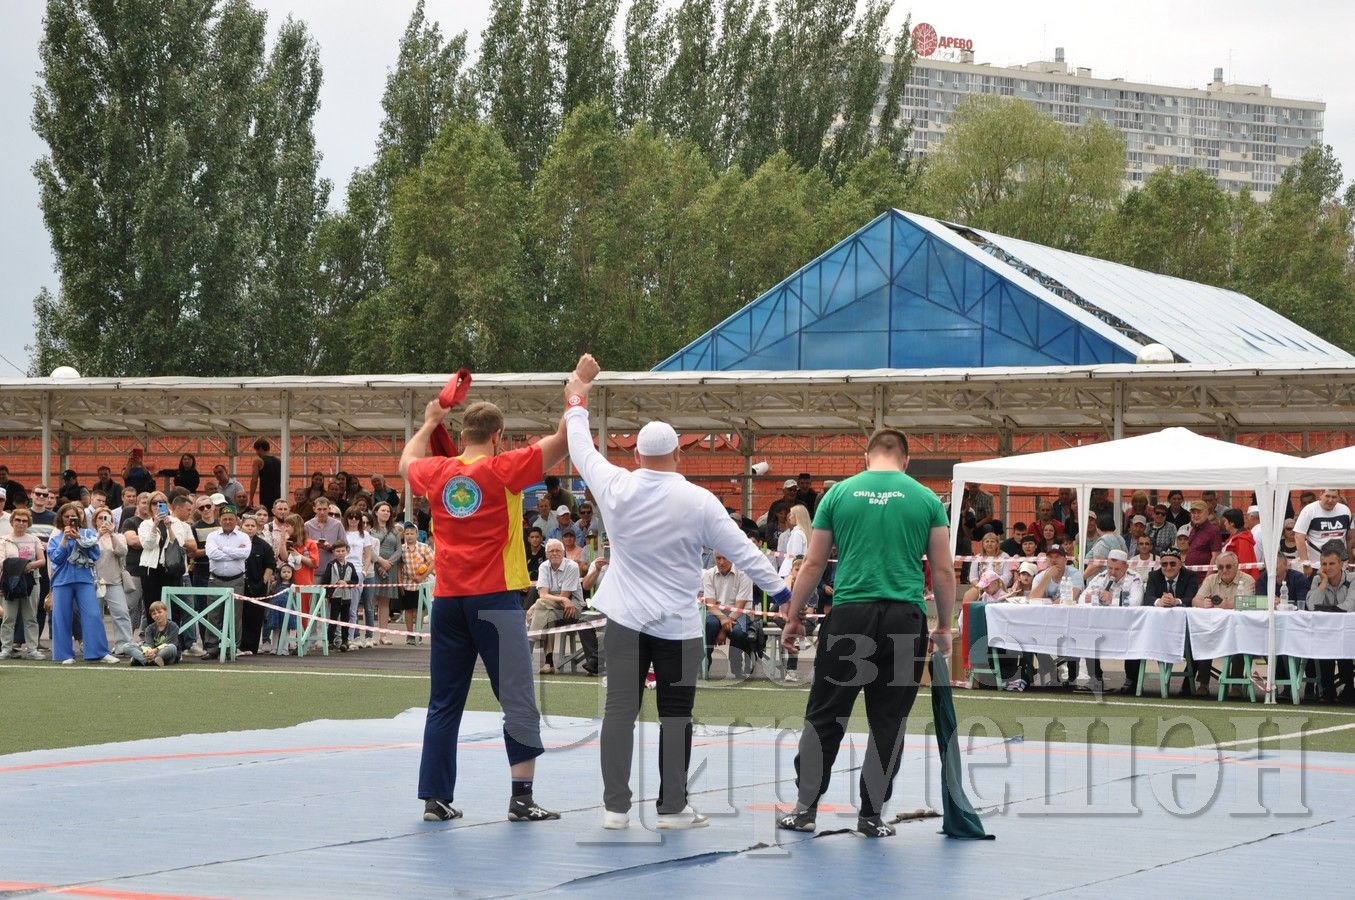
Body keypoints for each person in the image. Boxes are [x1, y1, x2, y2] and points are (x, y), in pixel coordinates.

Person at [562, 353, 788, 832]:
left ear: (637, 456)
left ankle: (614, 809)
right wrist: (784, 595)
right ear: (678, 456)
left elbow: (578, 443)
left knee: (619, 712)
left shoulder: (615, 485)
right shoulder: (699, 500)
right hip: (678, 625)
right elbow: (746, 553)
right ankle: (672, 808)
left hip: (624, 618)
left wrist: (580, 388)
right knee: (676, 715)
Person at [400, 391, 571, 826]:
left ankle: (435, 799)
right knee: (517, 699)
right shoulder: (504, 468)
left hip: (448, 601)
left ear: (461, 434)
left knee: (443, 701)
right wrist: (578, 390)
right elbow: (563, 440)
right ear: (499, 436)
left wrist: (428, 419)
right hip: (495, 600)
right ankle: (521, 798)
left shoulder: (438, 472)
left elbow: (406, 463)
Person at [774, 425, 954, 839]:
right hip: (904, 619)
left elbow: (814, 564)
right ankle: (871, 817)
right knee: (889, 720)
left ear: (866, 458)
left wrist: (794, 615)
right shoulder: (926, 499)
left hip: (850, 616)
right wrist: (944, 625)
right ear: (905, 461)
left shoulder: (838, 495)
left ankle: (805, 810)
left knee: (824, 715)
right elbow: (943, 570)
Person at [47, 502, 119, 665]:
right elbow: (56, 559)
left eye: (74, 516)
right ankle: (64, 654)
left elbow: (95, 554)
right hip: (62, 581)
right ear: (61, 518)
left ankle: (99, 652)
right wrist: (65, 539)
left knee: (93, 614)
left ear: (79, 518)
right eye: (66, 517)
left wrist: (79, 538)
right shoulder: (56, 537)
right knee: (62, 617)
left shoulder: (87, 533)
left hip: (84, 579)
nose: (70, 519)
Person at [1077, 549, 1144, 692]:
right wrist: (1099, 599)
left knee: (1134, 640)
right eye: (1110, 568)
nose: (1112, 572)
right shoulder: (1101, 577)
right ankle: (1096, 678)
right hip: (1102, 624)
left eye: (1117, 569)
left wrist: (1110, 601)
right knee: (1088, 635)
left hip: (1127, 625)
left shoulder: (1135, 578)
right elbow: (1082, 598)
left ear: (1126, 567)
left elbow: (1135, 602)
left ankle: (1132, 679)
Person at [1190, 551, 1256, 695]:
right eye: (1220, 567)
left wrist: (1228, 605)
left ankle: (1236, 685)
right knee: (1204, 637)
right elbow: (1195, 600)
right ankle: (1203, 683)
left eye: (1228, 567)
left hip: (1238, 628)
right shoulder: (1211, 579)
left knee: (1239, 642)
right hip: (1214, 627)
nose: (1224, 570)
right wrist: (1204, 603)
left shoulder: (1248, 579)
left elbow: (1251, 603)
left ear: (1236, 566)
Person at [527, 538, 587, 674]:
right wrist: (541, 602)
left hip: (572, 607)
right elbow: (543, 594)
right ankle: (549, 663)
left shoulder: (572, 566)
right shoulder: (544, 566)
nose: (554, 553)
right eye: (551, 551)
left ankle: (529, 647)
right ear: (547, 554)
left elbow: (565, 596)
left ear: (563, 552)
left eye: (558, 550)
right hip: (552, 607)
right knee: (546, 615)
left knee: (540, 605)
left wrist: (535, 605)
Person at [1308, 541, 1355, 701]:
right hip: (1325, 632)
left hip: (1350, 631)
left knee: (1344, 645)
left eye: (1332, 563)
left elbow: (1349, 606)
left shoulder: (1353, 579)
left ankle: (1349, 688)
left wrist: (1326, 610)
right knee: (1325, 645)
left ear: (1341, 564)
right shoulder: (1318, 580)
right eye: (1324, 564)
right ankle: (1328, 689)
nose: (1327, 568)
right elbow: (1311, 605)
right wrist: (1324, 583)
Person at [204, 505, 251, 658]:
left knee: (235, 615)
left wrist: (223, 549)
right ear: (220, 520)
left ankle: (232, 648)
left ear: (236, 520)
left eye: (231, 519)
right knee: (213, 614)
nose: (228, 521)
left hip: (236, 580)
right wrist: (234, 553)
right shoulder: (212, 536)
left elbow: (245, 554)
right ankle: (211, 649)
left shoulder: (243, 536)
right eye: (225, 519)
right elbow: (212, 554)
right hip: (215, 579)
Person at [700, 552, 756, 679]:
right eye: (718, 558)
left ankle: (736, 668)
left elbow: (739, 608)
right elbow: (711, 605)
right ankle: (705, 666)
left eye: (725, 558)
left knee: (738, 632)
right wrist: (723, 619)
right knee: (709, 625)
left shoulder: (744, 574)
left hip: (739, 613)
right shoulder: (709, 574)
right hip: (716, 613)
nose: (721, 562)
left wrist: (724, 631)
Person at [0, 508, 46, 659]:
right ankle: (6, 648)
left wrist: (29, 566)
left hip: (31, 582)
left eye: (24, 520)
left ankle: (32, 649)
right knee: (9, 617)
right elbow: (1, 561)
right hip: (10, 582)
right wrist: (20, 566)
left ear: (29, 523)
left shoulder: (34, 539)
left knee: (30, 617)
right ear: (12, 521)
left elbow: (42, 560)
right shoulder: (4, 540)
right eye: (18, 520)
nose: (21, 523)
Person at [92, 509, 137, 657]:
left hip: (114, 580)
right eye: (100, 518)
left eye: (108, 518)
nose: (104, 521)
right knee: (95, 615)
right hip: (94, 581)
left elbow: (122, 552)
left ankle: (124, 645)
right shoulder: (91, 535)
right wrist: (99, 534)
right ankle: (96, 645)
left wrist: (111, 534)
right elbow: (87, 551)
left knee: (121, 612)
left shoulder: (119, 536)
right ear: (94, 520)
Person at [238, 515, 276, 655]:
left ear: (257, 528)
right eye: (247, 525)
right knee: (239, 616)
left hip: (257, 587)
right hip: (239, 585)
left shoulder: (264, 545)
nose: (249, 528)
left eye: (252, 526)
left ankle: (251, 647)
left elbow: (270, 564)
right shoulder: (235, 541)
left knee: (255, 617)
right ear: (241, 526)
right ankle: (238, 645)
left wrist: (263, 581)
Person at [1294, 489, 1352, 577]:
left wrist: (1350, 562)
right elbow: (1299, 537)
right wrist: (1305, 563)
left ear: (1338, 497)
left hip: (1340, 565)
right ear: (1320, 494)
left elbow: (1349, 538)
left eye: (1334, 497)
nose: (1330, 500)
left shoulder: (1345, 510)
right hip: (1316, 566)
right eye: (1327, 496)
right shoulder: (1309, 510)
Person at [370, 502, 402, 644]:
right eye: (383, 510)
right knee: (371, 600)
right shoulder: (370, 530)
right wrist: (380, 561)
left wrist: (389, 563)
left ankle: (383, 635)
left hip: (390, 567)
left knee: (385, 602)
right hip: (374, 565)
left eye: (388, 511)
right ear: (376, 512)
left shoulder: (394, 530)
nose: (386, 513)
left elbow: (399, 550)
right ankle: (370, 635)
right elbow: (368, 548)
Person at [396, 524, 433, 642]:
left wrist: (423, 576)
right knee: (408, 609)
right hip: (407, 583)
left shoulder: (424, 547)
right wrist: (400, 582)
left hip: (421, 585)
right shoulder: (401, 549)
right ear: (404, 535)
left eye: (412, 533)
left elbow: (433, 562)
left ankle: (418, 633)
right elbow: (399, 566)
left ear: (417, 534)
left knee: (419, 610)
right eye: (407, 533)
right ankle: (410, 634)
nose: (409, 536)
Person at [322, 541, 360, 651]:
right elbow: (326, 581)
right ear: (333, 552)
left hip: (347, 597)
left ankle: (344, 641)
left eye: (343, 551)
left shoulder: (350, 565)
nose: (340, 553)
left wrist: (347, 583)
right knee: (333, 619)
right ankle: (330, 642)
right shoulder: (331, 565)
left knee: (345, 619)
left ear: (347, 551)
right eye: (338, 551)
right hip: (335, 597)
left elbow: (355, 580)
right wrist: (329, 594)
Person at [134, 601, 182, 667]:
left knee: (172, 647)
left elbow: (170, 643)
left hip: (167, 655)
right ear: (151, 616)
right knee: (128, 646)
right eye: (154, 614)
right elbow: (150, 646)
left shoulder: (174, 626)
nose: (157, 615)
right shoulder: (149, 628)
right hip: (152, 653)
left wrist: (155, 651)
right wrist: (150, 651)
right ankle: (150, 660)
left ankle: (142, 660)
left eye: (159, 612)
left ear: (166, 612)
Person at [1183, 500, 1222, 569]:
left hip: (1203, 576)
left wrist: (1208, 578)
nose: (1196, 515)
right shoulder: (1194, 529)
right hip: (1191, 574)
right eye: (1193, 513)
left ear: (1207, 513)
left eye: (1199, 512)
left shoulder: (1213, 530)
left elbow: (1216, 557)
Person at [248, 438, 283, 510]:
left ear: (260, 448)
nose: (256, 453)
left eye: (256, 450)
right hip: (279, 495)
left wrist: (251, 498)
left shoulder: (258, 461)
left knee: (265, 516)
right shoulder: (279, 461)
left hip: (266, 495)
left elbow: (254, 481)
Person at [778, 504, 811, 578]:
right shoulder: (801, 532)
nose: (789, 517)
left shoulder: (797, 534)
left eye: (792, 515)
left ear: (798, 517)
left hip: (790, 572)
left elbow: (795, 556)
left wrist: (792, 574)